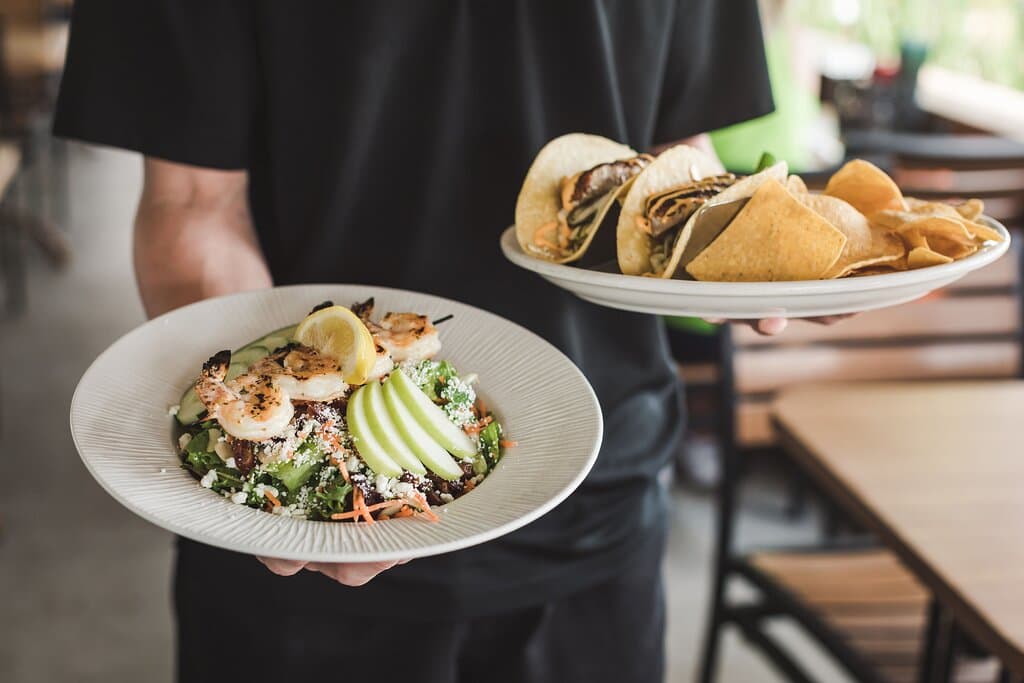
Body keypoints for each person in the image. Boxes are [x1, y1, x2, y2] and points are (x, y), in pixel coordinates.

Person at [55, 2, 803, 681]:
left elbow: (674, 150)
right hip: (294, 550)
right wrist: (278, 456)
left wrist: (762, 258)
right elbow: (193, 199)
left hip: (598, 508)